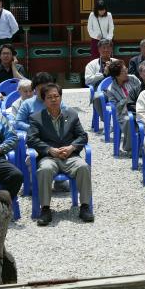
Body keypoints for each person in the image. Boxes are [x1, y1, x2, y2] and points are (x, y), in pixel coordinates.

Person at [27, 83, 94, 226]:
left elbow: (83, 136)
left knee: (83, 167)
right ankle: (45, 209)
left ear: (61, 97)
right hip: (49, 157)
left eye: (56, 96)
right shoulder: (36, 118)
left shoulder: (72, 115)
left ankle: (85, 207)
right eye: (49, 97)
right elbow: (31, 140)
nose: (53, 100)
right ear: (44, 100)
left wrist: (72, 147)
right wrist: (49, 149)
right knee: (44, 170)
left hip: (70, 156)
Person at [104, 60, 142, 152]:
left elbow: (142, 91)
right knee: (129, 120)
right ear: (117, 75)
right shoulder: (111, 89)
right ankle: (130, 147)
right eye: (123, 72)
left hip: (139, 106)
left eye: (126, 70)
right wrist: (128, 99)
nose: (126, 73)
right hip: (123, 112)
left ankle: (142, 143)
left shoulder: (133, 79)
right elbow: (116, 106)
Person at [85, 39, 115, 121]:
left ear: (111, 49)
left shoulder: (117, 62)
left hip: (116, 90)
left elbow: (124, 76)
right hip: (101, 92)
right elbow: (88, 80)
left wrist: (113, 70)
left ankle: (125, 122)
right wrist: (103, 74)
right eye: (103, 48)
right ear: (99, 50)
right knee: (97, 97)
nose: (106, 50)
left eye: (108, 47)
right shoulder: (92, 64)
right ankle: (106, 121)